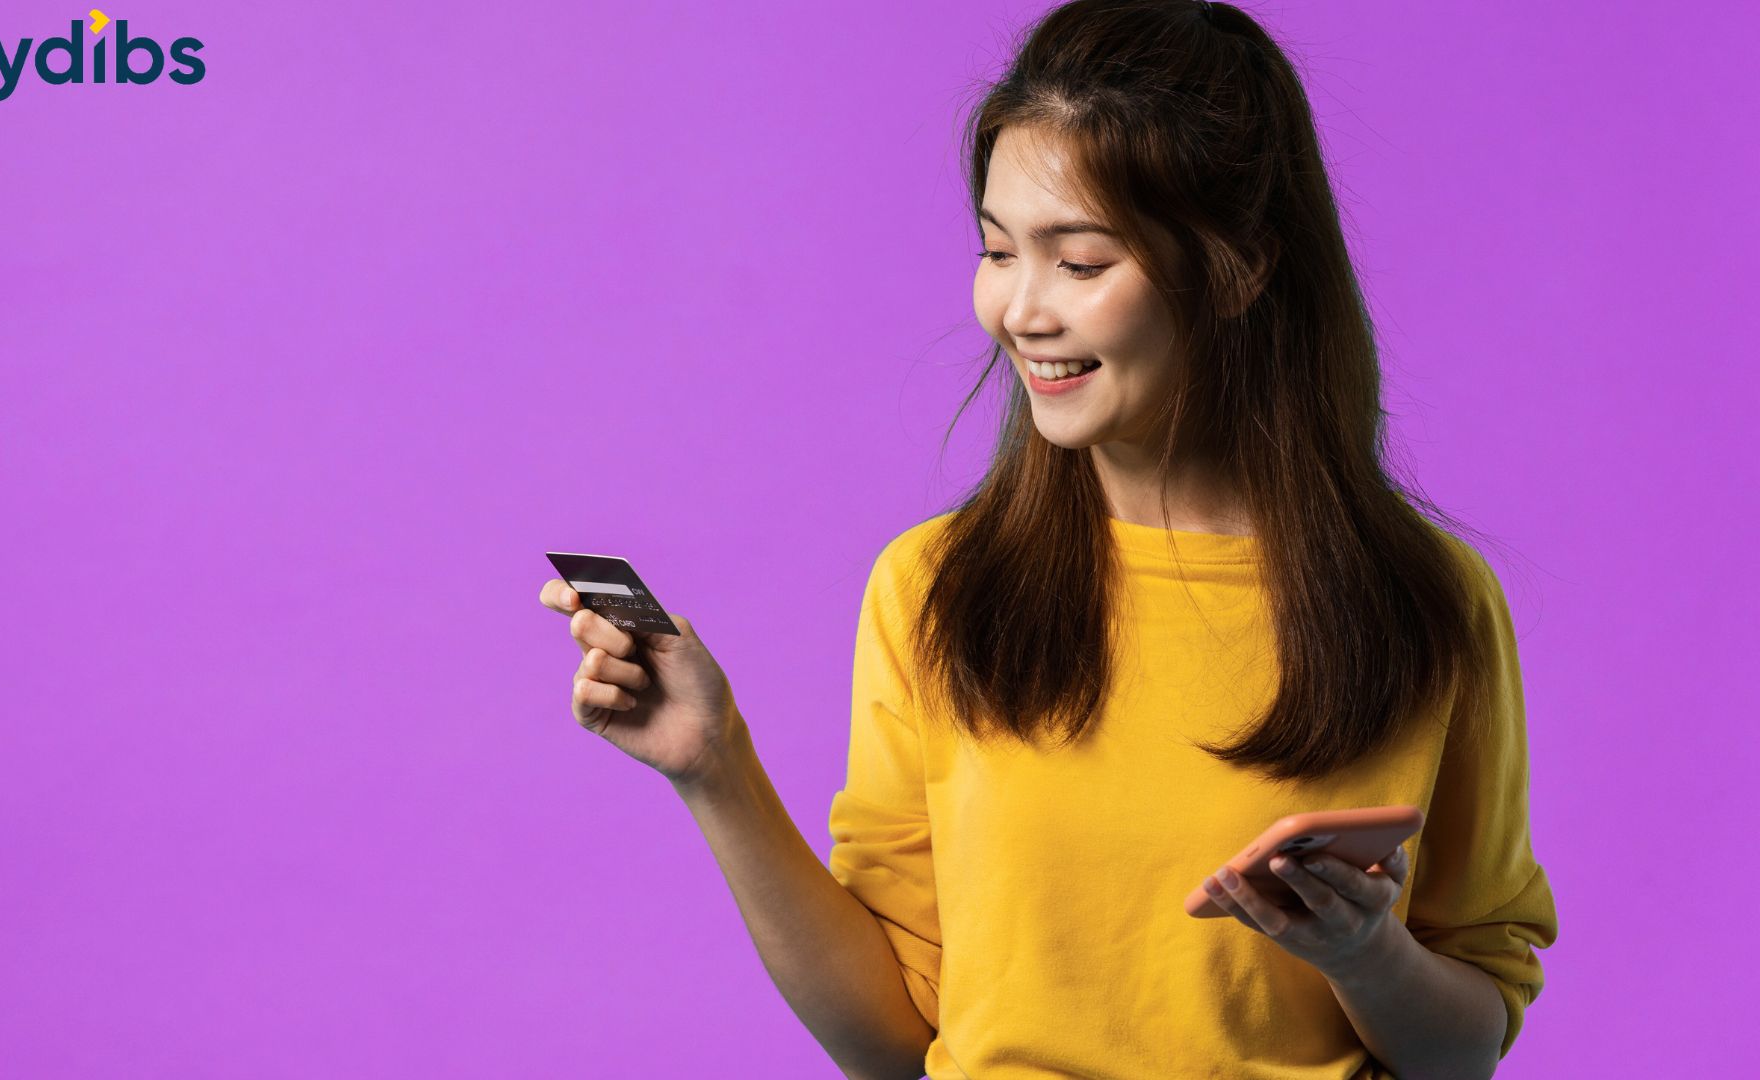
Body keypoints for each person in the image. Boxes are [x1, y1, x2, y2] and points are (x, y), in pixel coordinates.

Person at [536, 1, 1556, 1075]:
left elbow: (1466, 1044)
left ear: (1240, 268)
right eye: (995, 250)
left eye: (1078, 263)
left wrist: (1366, 954)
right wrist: (714, 768)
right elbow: (896, 1040)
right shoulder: (934, 587)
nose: (1019, 310)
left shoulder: (1428, 601)